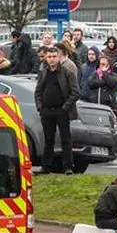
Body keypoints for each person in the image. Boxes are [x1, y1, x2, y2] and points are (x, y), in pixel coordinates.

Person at [34, 45, 80, 175]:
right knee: (48, 140)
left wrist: (65, 108)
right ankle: (46, 167)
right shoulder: (43, 72)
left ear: (58, 58)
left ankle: (68, 167)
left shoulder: (66, 72)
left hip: (61, 111)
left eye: (54, 56)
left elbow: (75, 92)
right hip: (46, 111)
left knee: (66, 139)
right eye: (49, 57)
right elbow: (38, 91)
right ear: (46, 58)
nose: (52, 59)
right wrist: (40, 107)